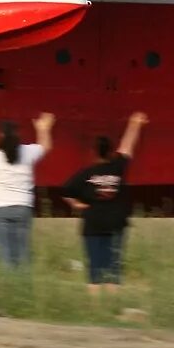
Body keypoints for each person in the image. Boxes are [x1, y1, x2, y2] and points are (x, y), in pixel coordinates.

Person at [62, 112, 148, 296]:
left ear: (93, 152)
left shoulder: (86, 173)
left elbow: (66, 190)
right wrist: (135, 124)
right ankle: (112, 309)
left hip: (93, 223)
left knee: (94, 269)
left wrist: (76, 205)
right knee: (114, 269)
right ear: (111, 151)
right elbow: (127, 147)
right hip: (116, 224)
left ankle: (94, 310)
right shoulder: (118, 167)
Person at [0, 113, 55, 268]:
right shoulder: (27, 152)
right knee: (23, 251)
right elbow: (46, 147)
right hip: (23, 206)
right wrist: (43, 129)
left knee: (5, 252)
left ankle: (9, 286)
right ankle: (24, 285)